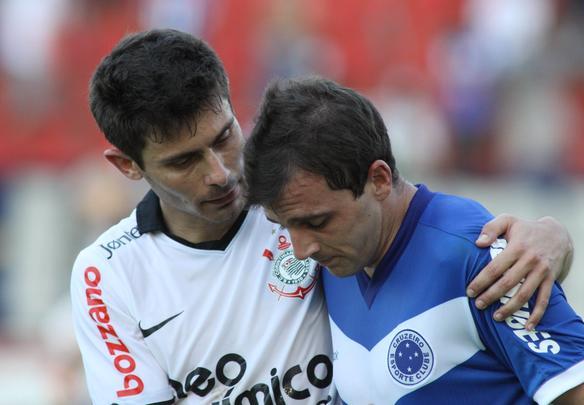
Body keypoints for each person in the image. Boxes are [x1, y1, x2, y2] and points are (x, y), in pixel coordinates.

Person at [71, 29, 573, 404]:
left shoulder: (299, 199)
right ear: (127, 166)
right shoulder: (107, 276)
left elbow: (413, 222)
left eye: (224, 136)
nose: (221, 174)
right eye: (184, 161)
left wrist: (550, 238)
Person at [243, 76, 584, 404]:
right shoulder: (333, 262)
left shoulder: (479, 261)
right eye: (284, 226)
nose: (302, 250)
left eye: (317, 222)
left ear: (378, 179)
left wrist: (557, 237)